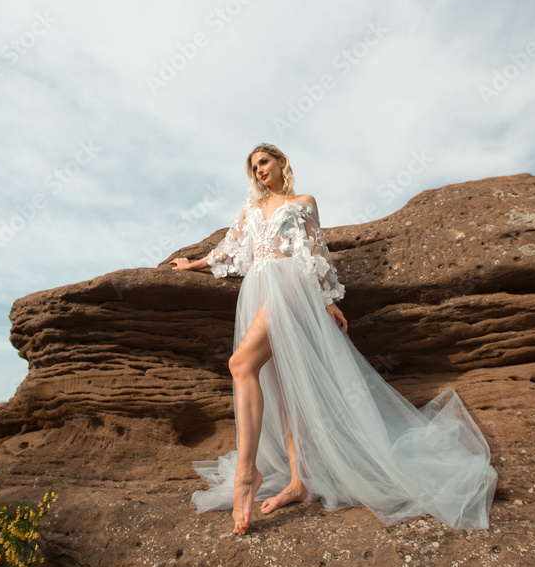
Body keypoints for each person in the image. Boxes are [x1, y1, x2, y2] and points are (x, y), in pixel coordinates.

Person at [170, 143, 497, 535]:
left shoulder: (303, 202)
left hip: (289, 284)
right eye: (253, 166)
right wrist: (193, 263)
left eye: (265, 162)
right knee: (284, 387)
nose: (259, 170)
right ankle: (299, 481)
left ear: (281, 163)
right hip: (257, 287)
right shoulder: (250, 210)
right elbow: (229, 249)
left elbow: (316, 252)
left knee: (240, 364)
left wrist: (327, 301)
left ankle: (246, 475)